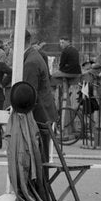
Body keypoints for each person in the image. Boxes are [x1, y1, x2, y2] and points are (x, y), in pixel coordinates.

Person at [22, 29, 57, 163]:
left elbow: (29, 93)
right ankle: (41, 183)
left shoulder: (30, 61)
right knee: (41, 156)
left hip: (39, 115)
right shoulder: (32, 56)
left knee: (39, 159)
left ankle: (40, 184)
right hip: (43, 113)